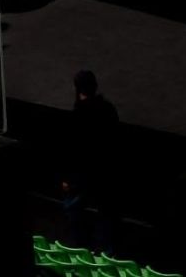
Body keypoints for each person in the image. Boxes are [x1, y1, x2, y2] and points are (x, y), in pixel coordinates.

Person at [60, 69, 121, 252]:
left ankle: (78, 248)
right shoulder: (108, 109)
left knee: (74, 210)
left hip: (83, 175)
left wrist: (68, 178)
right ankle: (105, 254)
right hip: (105, 173)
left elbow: (73, 150)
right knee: (106, 216)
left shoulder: (78, 114)